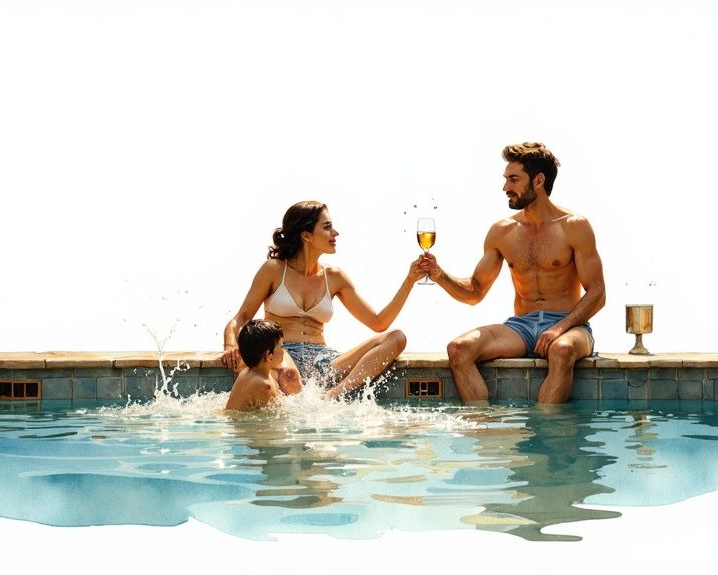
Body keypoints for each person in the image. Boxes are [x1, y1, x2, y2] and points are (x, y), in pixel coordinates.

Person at [419, 142, 605, 405]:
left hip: (570, 325)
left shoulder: (574, 226)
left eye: (513, 179)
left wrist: (559, 328)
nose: (505, 187)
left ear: (538, 180)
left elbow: (597, 294)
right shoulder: (502, 231)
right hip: (522, 326)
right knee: (459, 349)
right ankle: (483, 428)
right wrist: (439, 275)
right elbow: (475, 291)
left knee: (561, 351)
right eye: (506, 179)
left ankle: (546, 438)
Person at [223, 200, 425, 399]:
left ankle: (333, 395)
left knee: (397, 337)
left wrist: (409, 281)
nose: (335, 233)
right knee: (289, 375)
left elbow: (379, 322)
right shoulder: (274, 270)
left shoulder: (335, 277)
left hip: (323, 359)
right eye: (327, 227)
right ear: (306, 236)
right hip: (281, 355)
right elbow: (242, 317)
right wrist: (230, 344)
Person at [225, 319, 285, 411]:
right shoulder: (264, 385)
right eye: (281, 347)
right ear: (269, 355)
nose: (284, 351)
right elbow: (271, 420)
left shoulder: (247, 372)